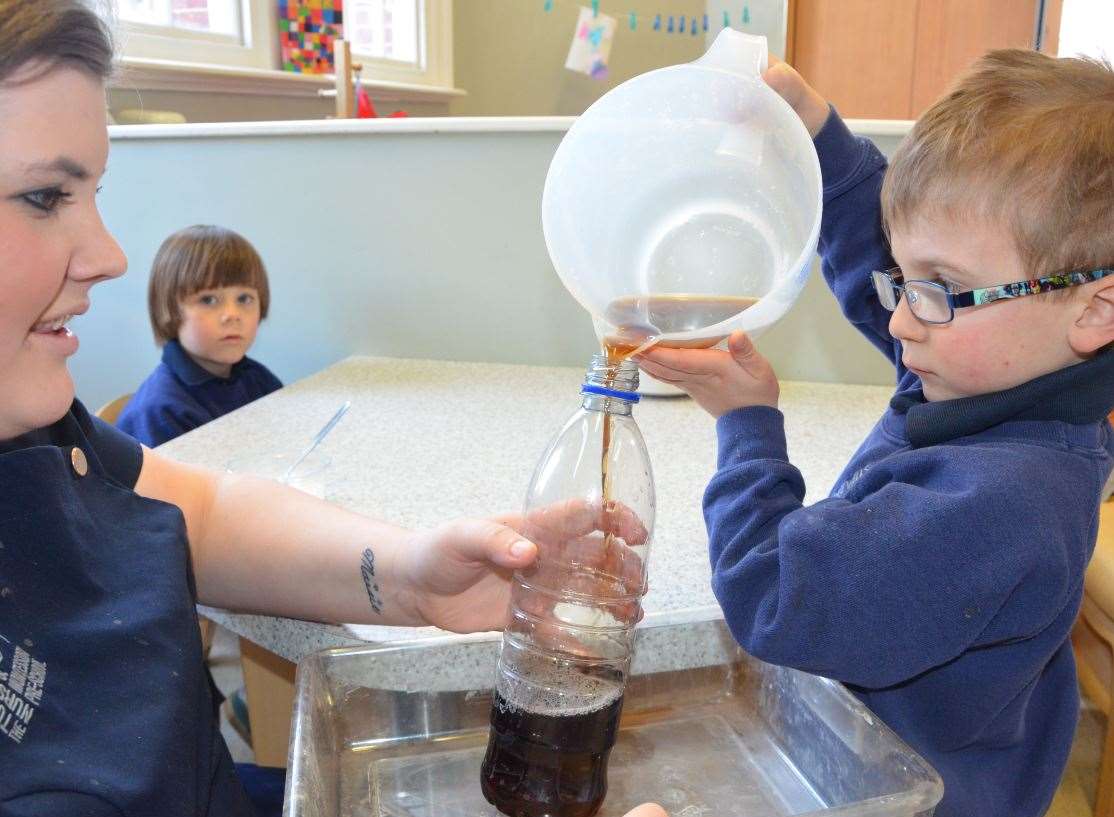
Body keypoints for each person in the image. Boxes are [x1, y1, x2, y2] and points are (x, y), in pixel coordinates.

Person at [0, 4, 664, 816]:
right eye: (43, 196)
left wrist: (413, 574)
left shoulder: (32, 427)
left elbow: (201, 515)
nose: (109, 255)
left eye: (93, 193)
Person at [637, 50, 1114, 817]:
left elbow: (774, 597)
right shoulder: (1016, 384)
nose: (897, 319)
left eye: (939, 289)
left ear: (1096, 309)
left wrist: (747, 425)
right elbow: (883, 260)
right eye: (906, 275)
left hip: (906, 793)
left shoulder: (998, 503)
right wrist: (817, 132)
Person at [117, 224, 281, 447]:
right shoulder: (161, 413)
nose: (232, 315)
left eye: (244, 299)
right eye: (209, 300)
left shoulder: (257, 378)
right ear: (169, 311)